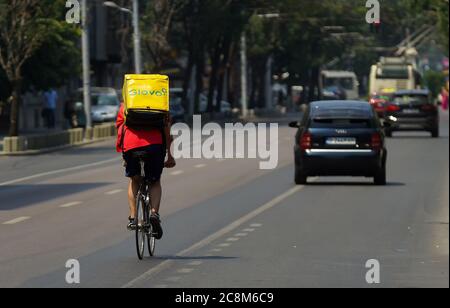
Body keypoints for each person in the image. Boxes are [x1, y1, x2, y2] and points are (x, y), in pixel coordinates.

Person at [115, 104, 176, 240]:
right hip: (155, 146)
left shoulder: (127, 103)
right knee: (155, 181)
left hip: (131, 146)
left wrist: (124, 154)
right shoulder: (160, 102)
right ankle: (154, 213)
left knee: (134, 179)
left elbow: (121, 129)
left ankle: (133, 217)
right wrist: (170, 156)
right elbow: (166, 130)